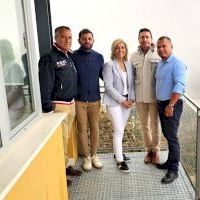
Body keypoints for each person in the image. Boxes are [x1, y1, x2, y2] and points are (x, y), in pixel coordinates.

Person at [38, 26, 82, 186]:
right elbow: (45, 84)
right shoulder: (49, 58)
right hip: (59, 106)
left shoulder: (68, 56)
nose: (67, 40)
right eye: (64, 37)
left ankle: (65, 166)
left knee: (66, 137)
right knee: (61, 141)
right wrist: (47, 106)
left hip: (71, 103)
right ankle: (60, 174)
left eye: (70, 37)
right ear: (56, 38)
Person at [155, 36, 187, 184]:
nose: (161, 49)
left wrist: (171, 105)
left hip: (171, 105)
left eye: (164, 46)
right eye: (159, 47)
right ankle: (169, 162)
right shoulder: (161, 64)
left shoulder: (177, 63)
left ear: (171, 46)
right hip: (161, 104)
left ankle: (173, 170)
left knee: (172, 138)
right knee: (168, 135)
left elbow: (179, 85)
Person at [71, 29, 104, 171]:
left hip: (95, 100)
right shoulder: (73, 56)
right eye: (84, 39)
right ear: (79, 40)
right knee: (82, 129)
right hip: (79, 101)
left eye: (89, 39)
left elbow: (105, 77)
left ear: (93, 40)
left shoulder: (99, 57)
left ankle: (95, 155)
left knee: (95, 128)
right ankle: (86, 157)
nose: (87, 41)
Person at [102, 39, 135, 173]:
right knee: (119, 129)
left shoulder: (129, 64)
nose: (120, 50)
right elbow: (108, 87)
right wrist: (122, 101)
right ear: (113, 50)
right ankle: (120, 161)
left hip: (127, 102)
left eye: (122, 47)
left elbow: (132, 84)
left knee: (121, 129)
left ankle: (118, 152)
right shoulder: (109, 65)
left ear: (126, 49)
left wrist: (131, 99)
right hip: (114, 102)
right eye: (117, 48)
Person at [130, 28, 161, 164]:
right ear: (138, 39)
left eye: (147, 37)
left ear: (151, 39)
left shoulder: (157, 54)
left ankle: (156, 151)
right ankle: (148, 151)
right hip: (140, 98)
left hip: (154, 97)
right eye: (142, 37)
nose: (145, 39)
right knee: (144, 126)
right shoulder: (133, 56)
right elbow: (130, 78)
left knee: (155, 125)